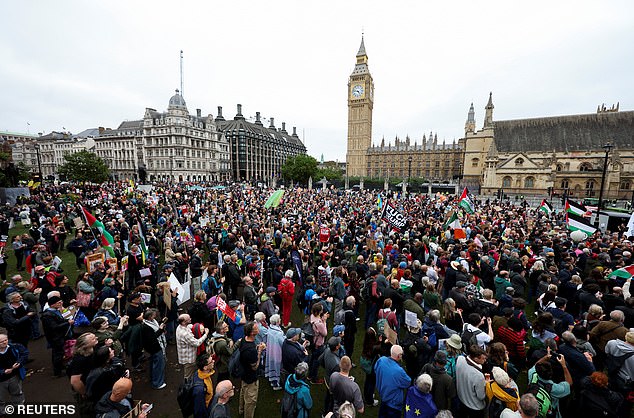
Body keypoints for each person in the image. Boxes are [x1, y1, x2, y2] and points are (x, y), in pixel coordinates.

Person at [527, 348, 572, 418]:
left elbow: (536, 365)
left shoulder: (532, 374)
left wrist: (546, 357)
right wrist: (564, 366)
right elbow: (569, 383)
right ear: (551, 374)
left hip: (530, 405)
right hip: (548, 412)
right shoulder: (555, 389)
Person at [374, 345, 412, 418]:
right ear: (398, 356)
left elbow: (376, 369)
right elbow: (408, 382)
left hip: (383, 395)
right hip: (393, 403)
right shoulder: (399, 371)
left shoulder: (381, 360)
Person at [238, 320, 266, 418]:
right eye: (256, 328)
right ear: (251, 332)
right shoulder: (251, 350)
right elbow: (254, 366)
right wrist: (259, 351)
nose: (258, 328)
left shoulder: (244, 340)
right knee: (250, 401)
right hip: (250, 377)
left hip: (244, 374)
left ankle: (241, 410)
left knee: (243, 392)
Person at [67, 332, 99, 417]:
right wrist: (84, 393)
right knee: (87, 409)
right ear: (85, 345)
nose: (96, 338)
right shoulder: (79, 359)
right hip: (83, 388)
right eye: (93, 338)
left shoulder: (92, 349)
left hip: (91, 384)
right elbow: (75, 381)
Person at [40, 295, 73, 376]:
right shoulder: (48, 315)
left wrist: (66, 320)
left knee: (59, 353)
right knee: (58, 353)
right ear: (52, 304)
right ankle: (57, 372)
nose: (61, 303)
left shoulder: (55, 311)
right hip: (55, 337)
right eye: (58, 302)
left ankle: (60, 366)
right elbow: (54, 327)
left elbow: (59, 321)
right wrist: (67, 323)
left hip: (59, 336)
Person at [456, 344, 488, 418]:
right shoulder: (478, 376)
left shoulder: (460, 359)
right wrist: (485, 385)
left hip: (461, 399)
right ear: (476, 359)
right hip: (474, 407)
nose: (485, 360)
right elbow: (481, 396)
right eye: (483, 359)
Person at [0, 333, 28, 415]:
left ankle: (19, 407)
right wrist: (3, 372)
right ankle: (1, 412)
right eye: (1, 342)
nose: (5, 342)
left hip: (14, 376)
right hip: (1, 380)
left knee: (17, 392)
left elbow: (24, 353)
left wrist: (19, 362)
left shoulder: (14, 346)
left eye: (6, 340)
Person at [175, 313, 209, 379]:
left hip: (186, 357)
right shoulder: (184, 334)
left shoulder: (181, 326)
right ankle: (187, 387)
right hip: (189, 359)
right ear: (184, 322)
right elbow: (197, 343)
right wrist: (206, 334)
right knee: (188, 375)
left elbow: (190, 326)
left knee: (190, 373)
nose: (191, 319)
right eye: (189, 319)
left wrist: (199, 326)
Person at [140, 309, 167, 389]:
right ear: (150, 317)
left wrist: (162, 322)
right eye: (154, 315)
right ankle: (157, 383)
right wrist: (161, 329)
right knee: (158, 365)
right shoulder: (146, 327)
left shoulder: (151, 322)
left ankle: (154, 379)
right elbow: (153, 337)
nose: (155, 316)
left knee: (154, 364)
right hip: (155, 348)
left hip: (155, 347)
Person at [264, 314, 284, 390]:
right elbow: (283, 344)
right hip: (277, 352)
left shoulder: (270, 329)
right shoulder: (279, 333)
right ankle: (276, 384)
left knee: (272, 365)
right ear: (277, 321)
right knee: (277, 368)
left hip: (270, 351)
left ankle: (272, 381)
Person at [192, 352, 215, 418]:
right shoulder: (200, 389)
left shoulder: (199, 373)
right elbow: (199, 410)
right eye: (211, 361)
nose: (214, 361)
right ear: (205, 367)